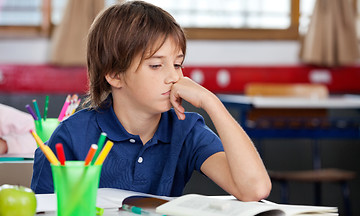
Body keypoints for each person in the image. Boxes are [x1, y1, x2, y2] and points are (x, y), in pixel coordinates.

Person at [31, 1, 271, 201]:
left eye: (177, 64)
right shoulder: (73, 135)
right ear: (115, 74)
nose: (174, 77)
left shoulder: (185, 129)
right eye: (156, 65)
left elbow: (254, 189)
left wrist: (212, 103)